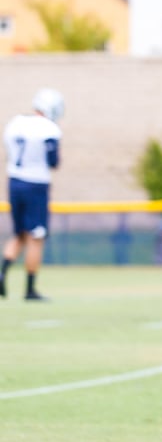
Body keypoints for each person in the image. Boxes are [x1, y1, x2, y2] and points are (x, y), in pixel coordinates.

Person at [2, 88, 64, 302]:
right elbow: (53, 160)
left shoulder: (15, 122)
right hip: (36, 185)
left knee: (19, 234)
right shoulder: (49, 128)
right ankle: (30, 289)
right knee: (36, 237)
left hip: (14, 181)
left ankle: (2, 273)